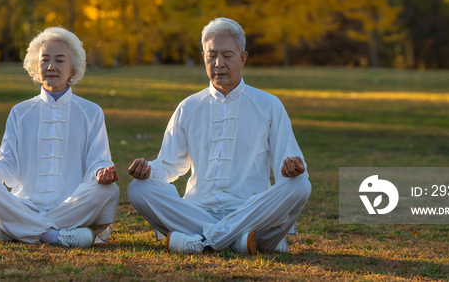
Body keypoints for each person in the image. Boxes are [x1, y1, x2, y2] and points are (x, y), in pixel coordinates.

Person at [127, 18, 311, 255]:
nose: (219, 63)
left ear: (243, 59)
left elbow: (290, 162)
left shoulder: (269, 105)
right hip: (198, 211)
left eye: (227, 55)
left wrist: (292, 168)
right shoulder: (188, 106)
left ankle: (203, 241)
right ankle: (237, 241)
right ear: (203, 56)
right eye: (212, 55)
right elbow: (169, 165)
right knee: (138, 189)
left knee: (300, 185)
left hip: (251, 211)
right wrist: (148, 171)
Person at [0, 27, 119, 248]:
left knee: (109, 189)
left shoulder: (91, 112)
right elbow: (7, 166)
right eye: (45, 60)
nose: (51, 66)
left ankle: (14, 229)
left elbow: (99, 161)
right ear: (36, 65)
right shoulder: (20, 112)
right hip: (26, 205)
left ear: (73, 68)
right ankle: (54, 235)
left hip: (72, 206)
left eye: (60, 60)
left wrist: (102, 173)